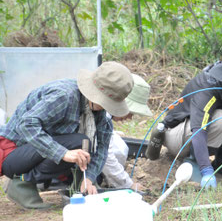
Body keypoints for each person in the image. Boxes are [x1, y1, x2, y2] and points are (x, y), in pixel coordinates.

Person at [0, 61, 134, 209]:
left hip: (38, 152)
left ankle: (77, 184)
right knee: (80, 142)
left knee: (88, 154)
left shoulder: (99, 113)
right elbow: (26, 125)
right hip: (14, 152)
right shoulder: (65, 96)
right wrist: (63, 153)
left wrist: (89, 178)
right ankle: (21, 183)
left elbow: (102, 148)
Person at [145, 42, 222, 189]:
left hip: (211, 136)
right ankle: (194, 162)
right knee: (221, 118)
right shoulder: (208, 86)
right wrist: (206, 169)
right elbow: (199, 129)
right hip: (181, 136)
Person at [101, 74, 153, 190]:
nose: (130, 117)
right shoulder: (101, 113)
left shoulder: (105, 115)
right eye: (131, 112)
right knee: (118, 150)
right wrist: (128, 184)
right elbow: (106, 155)